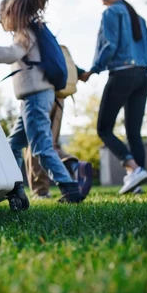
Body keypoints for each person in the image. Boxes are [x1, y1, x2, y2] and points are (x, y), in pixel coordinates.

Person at [0, 0, 86, 204]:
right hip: (31, 99)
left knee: (41, 146)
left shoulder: (25, 32)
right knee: (13, 144)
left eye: (4, 19)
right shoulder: (33, 31)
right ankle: (13, 186)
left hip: (36, 97)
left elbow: (13, 53)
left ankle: (70, 188)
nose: (4, 23)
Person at [81, 0, 147, 195]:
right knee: (134, 132)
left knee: (104, 129)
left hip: (122, 74)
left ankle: (132, 168)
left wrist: (92, 70)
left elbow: (110, 45)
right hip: (142, 77)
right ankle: (136, 185)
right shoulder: (137, 17)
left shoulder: (111, 13)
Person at [24, 70, 93, 200]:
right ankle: (74, 165)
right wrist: (81, 72)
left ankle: (41, 191)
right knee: (50, 144)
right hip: (58, 97)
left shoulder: (34, 48)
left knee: (35, 144)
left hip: (37, 93)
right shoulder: (60, 49)